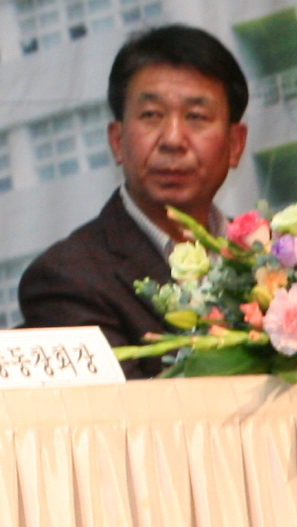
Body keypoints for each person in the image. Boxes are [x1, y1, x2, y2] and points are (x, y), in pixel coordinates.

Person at [17, 22, 253, 374]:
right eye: (151, 116)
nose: (173, 139)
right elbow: (119, 407)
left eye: (196, 117)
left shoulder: (275, 260)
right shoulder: (68, 278)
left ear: (235, 144)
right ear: (117, 141)